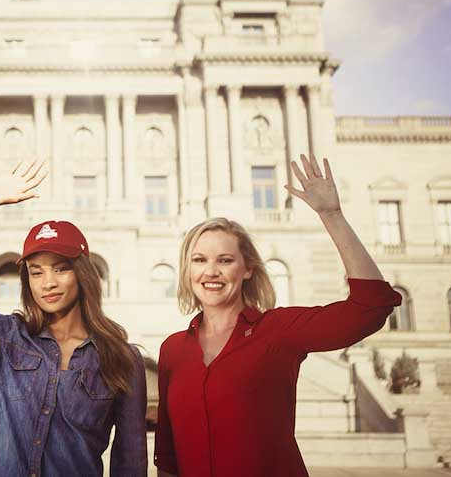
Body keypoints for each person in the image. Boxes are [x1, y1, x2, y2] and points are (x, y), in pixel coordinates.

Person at [154, 155, 402, 477]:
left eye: (225, 260)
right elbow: (168, 453)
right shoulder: (173, 349)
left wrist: (332, 216)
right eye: (199, 260)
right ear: (188, 270)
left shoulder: (278, 331)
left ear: (247, 269)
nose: (210, 272)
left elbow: (371, 308)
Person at [0, 160, 148, 477]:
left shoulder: (123, 359)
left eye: (60, 269)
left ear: (83, 275)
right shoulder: (2, 337)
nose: (47, 283)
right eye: (36, 272)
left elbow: (130, 462)